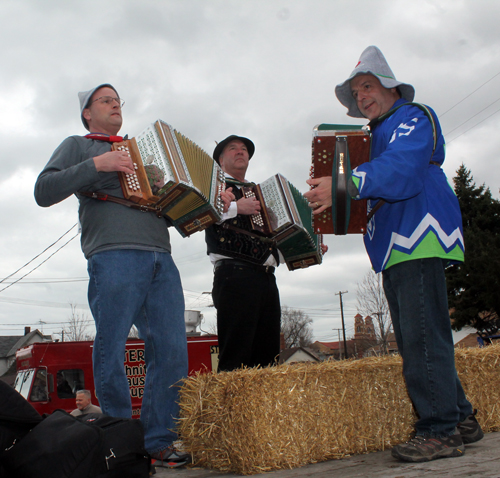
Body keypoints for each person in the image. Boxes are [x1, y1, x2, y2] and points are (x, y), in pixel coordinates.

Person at [304, 46, 484, 463]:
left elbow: (402, 167)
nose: (361, 96)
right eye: (355, 92)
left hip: (416, 231)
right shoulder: (375, 133)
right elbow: (374, 185)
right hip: (396, 240)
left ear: (389, 85)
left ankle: (439, 431)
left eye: (367, 86)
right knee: (420, 336)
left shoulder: (412, 116)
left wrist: (344, 184)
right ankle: (460, 419)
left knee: (421, 337)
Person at [34, 84, 190, 467]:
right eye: (105, 100)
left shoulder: (141, 153)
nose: (115, 103)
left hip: (161, 256)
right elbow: (43, 190)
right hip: (113, 254)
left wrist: (194, 203)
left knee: (172, 351)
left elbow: (172, 207)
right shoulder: (79, 144)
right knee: (112, 348)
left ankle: (158, 440)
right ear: (87, 113)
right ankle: (121, 443)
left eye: (118, 100)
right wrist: (97, 165)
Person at [205, 135, 282, 371]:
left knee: (268, 358)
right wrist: (238, 207)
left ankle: (263, 408)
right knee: (235, 357)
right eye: (232, 148)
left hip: (267, 278)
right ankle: (230, 408)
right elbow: (201, 213)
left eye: (244, 149)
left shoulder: (259, 193)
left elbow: (272, 237)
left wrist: (305, 248)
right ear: (220, 159)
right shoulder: (212, 186)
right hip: (235, 276)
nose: (240, 152)